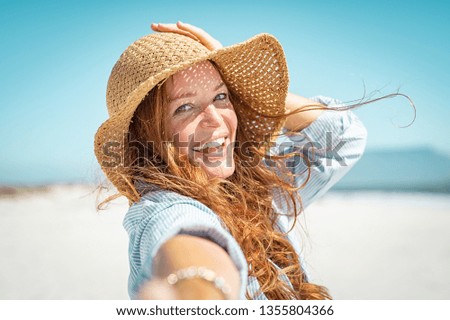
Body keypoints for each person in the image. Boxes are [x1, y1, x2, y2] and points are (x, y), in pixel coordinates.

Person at [94, 22, 367, 300]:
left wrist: (246, 86)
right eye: (184, 107)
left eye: (221, 96)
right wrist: (198, 287)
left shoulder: (258, 189)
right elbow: (186, 240)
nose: (216, 119)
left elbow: (345, 137)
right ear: (147, 134)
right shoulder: (162, 206)